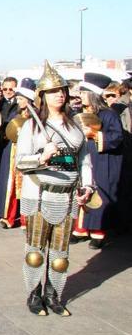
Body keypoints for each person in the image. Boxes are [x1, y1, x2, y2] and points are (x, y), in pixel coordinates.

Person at [15, 61, 93, 316]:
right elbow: (20, 163)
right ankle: (34, 295)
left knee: (60, 254)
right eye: (53, 91)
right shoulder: (31, 126)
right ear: (43, 96)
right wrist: (42, 157)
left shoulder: (75, 125)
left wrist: (88, 185)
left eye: (62, 90)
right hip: (40, 193)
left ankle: (53, 294)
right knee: (36, 252)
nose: (60, 94)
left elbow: (83, 160)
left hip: (67, 195)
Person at [71, 73, 123, 249]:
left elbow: (116, 138)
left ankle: (98, 231)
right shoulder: (80, 113)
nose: (81, 95)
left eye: (84, 92)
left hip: (103, 160)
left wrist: (95, 135)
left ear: (92, 94)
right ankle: (81, 228)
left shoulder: (109, 115)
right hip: (85, 157)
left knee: (99, 191)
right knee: (82, 188)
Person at [0, 78, 35, 229]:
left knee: (28, 186)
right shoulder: (14, 111)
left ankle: (27, 218)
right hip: (12, 151)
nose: (17, 101)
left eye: (20, 98)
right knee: (10, 185)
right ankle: (8, 216)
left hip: (29, 153)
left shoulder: (37, 115)